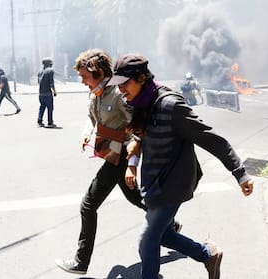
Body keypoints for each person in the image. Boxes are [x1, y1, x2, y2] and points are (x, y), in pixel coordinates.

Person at [107, 54, 254, 279]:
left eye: (124, 84)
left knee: (147, 241)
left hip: (173, 185)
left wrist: (240, 173)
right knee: (164, 235)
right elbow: (139, 136)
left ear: (142, 78)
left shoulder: (171, 106)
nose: (121, 90)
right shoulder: (141, 103)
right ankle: (208, 254)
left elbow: (210, 138)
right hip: (153, 184)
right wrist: (133, 162)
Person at [54, 49, 181, 275]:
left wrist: (132, 163)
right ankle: (169, 224)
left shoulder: (119, 94)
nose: (82, 82)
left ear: (99, 72)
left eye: (85, 77)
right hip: (111, 154)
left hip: (121, 157)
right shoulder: (95, 92)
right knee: (136, 198)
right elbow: (91, 117)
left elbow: (137, 130)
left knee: (88, 205)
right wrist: (87, 132)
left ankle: (81, 262)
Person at [37, 57, 57, 127]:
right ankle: (50, 122)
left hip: (41, 94)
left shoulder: (40, 72)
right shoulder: (50, 71)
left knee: (42, 107)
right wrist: (54, 91)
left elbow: (38, 82)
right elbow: (51, 83)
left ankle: (39, 121)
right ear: (50, 64)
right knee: (50, 108)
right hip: (48, 93)